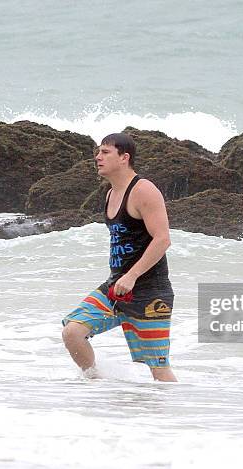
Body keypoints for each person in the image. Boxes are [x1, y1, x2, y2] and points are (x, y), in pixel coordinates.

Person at [61, 132, 177, 382]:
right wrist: (123, 279)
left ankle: (173, 416)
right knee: (72, 332)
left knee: (158, 368)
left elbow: (162, 239)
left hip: (149, 291)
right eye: (98, 152)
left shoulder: (143, 190)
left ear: (124, 158)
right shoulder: (110, 193)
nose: (97, 157)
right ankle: (97, 385)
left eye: (105, 152)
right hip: (116, 288)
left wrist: (133, 276)